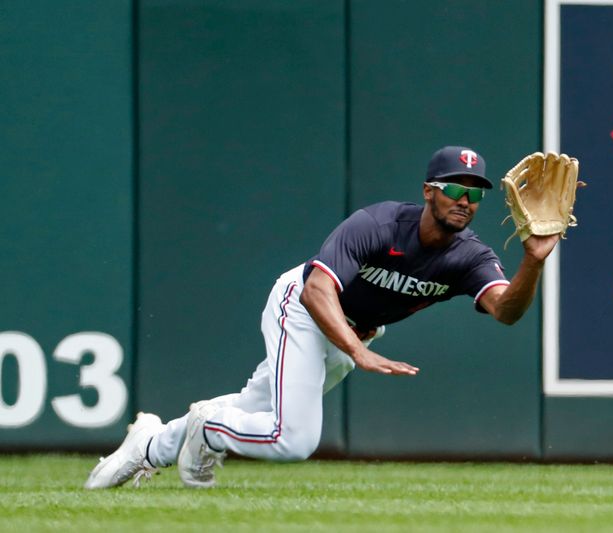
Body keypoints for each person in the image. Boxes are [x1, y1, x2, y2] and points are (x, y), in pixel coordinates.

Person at [85, 145, 561, 489]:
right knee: (292, 438)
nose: (465, 200)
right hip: (305, 307)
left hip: (351, 332)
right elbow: (317, 289)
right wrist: (357, 352)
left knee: (257, 409)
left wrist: (534, 261)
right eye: (456, 187)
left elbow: (506, 311)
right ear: (429, 191)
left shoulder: (468, 257)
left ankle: (149, 446)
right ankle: (206, 427)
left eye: (476, 192)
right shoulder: (378, 224)